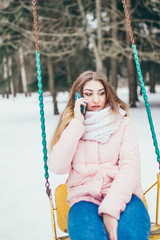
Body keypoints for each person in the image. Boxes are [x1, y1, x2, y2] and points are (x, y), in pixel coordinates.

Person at [48, 71, 151, 240]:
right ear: (78, 97)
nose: (96, 100)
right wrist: (77, 123)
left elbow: (130, 167)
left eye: (101, 93)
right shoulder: (72, 127)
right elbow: (57, 166)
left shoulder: (123, 122)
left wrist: (111, 209)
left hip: (124, 195)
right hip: (84, 198)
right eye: (89, 94)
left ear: (107, 94)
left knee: (132, 235)